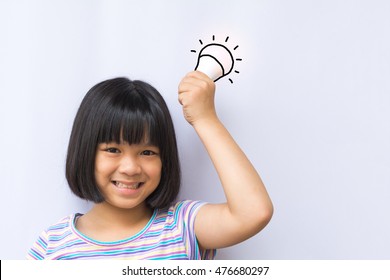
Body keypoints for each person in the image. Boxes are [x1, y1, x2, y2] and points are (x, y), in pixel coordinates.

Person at [27, 71, 273, 260]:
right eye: (113, 150)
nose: (131, 168)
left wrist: (205, 118)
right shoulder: (53, 245)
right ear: (85, 153)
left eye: (147, 152)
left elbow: (253, 212)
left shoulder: (182, 226)